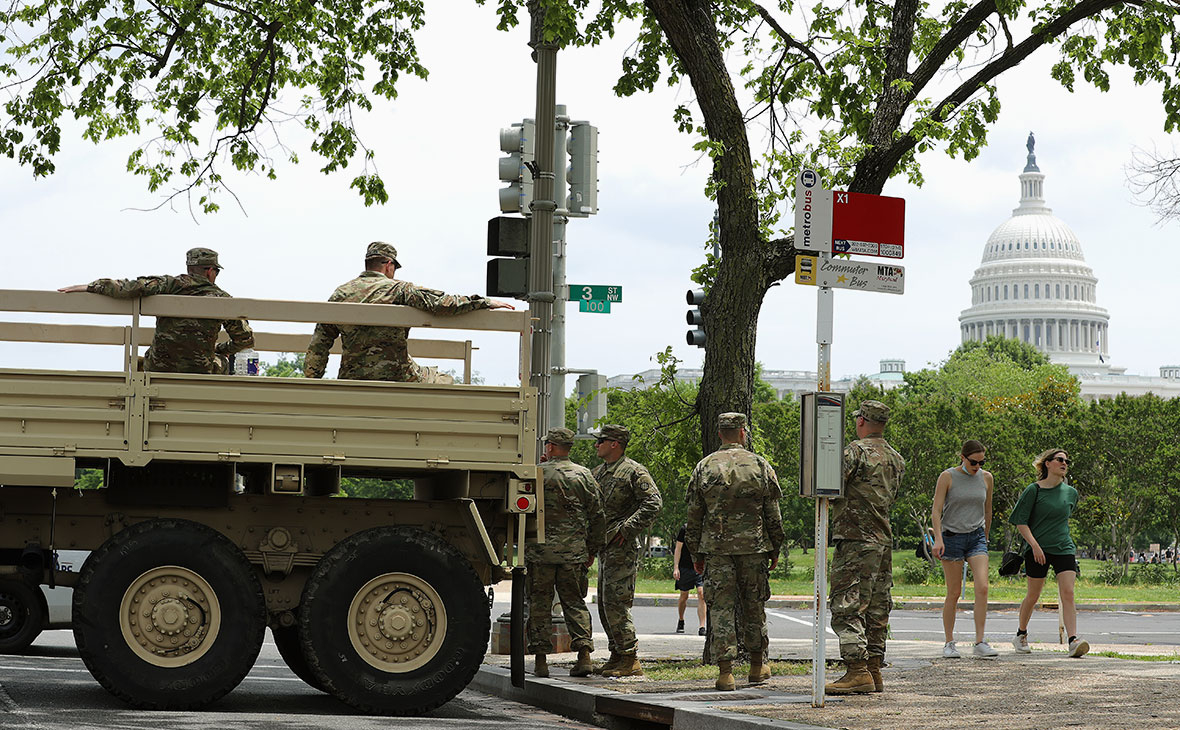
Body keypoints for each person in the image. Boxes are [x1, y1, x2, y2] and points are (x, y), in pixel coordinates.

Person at [304, 242, 514, 382]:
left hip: (352, 377)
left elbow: (319, 343)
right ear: (388, 265)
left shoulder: (340, 294)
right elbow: (443, 303)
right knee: (445, 380)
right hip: (397, 375)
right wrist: (483, 302)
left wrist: (313, 382)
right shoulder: (399, 289)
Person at [686, 412, 784, 691]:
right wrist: (775, 547)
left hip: (716, 550)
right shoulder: (760, 466)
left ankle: (726, 672)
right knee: (754, 606)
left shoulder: (704, 467)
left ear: (720, 433)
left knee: (721, 610)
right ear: (743, 432)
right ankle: (756, 665)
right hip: (753, 548)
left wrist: (696, 554)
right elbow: (772, 514)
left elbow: (694, 517)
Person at [59, 247, 254, 374]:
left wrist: (91, 286)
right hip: (199, 369)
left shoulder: (169, 284)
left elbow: (132, 286)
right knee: (224, 362)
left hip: (160, 366)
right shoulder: (224, 300)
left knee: (148, 357)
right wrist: (219, 349)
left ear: (189, 268)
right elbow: (245, 340)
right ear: (210, 271)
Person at [826, 400, 905, 695]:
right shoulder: (896, 459)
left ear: (861, 421)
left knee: (848, 603)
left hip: (856, 538)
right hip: (882, 539)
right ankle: (873, 668)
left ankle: (857, 670)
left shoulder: (854, 452)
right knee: (877, 606)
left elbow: (830, 488)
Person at [526, 427, 605, 679]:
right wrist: (592, 549)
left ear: (550, 447)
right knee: (574, 602)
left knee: (539, 603)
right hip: (573, 553)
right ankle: (584, 656)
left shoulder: (537, 474)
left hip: (540, 553)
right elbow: (597, 515)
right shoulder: (584, 475)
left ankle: (541, 661)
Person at [591, 424, 662, 678]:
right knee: (604, 604)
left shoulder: (634, 471)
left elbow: (653, 502)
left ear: (615, 444)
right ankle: (617, 654)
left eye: (601, 440)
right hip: (605, 546)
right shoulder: (599, 472)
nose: (596, 445)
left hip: (622, 547)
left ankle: (630, 658)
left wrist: (627, 529)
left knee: (617, 603)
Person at [1010, 448, 1088, 658]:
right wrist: (1035, 546)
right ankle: (1021, 634)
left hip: (1064, 548)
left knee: (1068, 593)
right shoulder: (1033, 490)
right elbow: (1020, 521)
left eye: (1067, 461)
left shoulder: (1071, 493)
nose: (1065, 463)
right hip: (1037, 550)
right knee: (1033, 595)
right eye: (1060, 460)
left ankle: (1073, 640)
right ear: (1047, 463)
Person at [931, 439, 999, 659]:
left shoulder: (987, 478)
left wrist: (985, 537)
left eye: (981, 462)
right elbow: (936, 511)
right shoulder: (948, 477)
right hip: (951, 537)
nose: (977, 466)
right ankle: (949, 642)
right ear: (962, 457)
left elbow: (987, 511)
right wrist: (938, 539)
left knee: (982, 587)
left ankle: (980, 641)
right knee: (954, 592)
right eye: (973, 462)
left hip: (976, 537)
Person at [672, 523, 707, 636]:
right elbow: (678, 548)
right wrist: (676, 568)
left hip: (700, 566)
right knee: (684, 596)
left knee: (701, 594)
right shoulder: (685, 528)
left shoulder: (706, 527)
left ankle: (702, 626)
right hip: (685, 567)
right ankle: (681, 620)